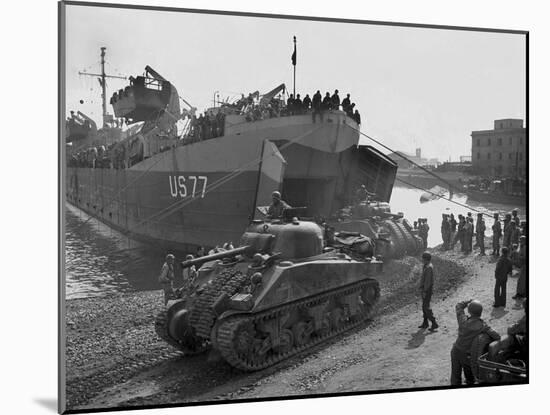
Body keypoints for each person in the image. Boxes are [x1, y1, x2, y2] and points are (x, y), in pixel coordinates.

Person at [450, 300, 501, 385]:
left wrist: (468, 301)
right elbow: (497, 336)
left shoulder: (463, 321)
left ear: (469, 311)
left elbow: (458, 306)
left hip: (456, 351)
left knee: (455, 376)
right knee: (470, 378)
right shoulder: (483, 325)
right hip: (468, 355)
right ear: (480, 313)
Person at [418, 252, 438, 331]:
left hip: (427, 289)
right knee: (424, 307)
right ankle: (425, 322)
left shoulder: (429, 268)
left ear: (425, 259)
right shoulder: (426, 266)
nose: (421, 260)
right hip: (425, 289)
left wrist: (425, 291)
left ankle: (434, 323)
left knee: (426, 307)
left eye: (422, 258)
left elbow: (428, 281)